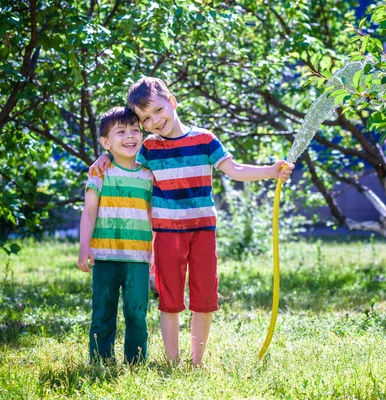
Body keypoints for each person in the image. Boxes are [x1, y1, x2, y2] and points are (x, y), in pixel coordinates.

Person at [89, 77, 294, 366]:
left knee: (204, 297)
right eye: (146, 119)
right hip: (166, 233)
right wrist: (104, 158)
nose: (155, 121)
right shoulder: (149, 150)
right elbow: (126, 164)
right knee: (169, 298)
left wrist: (270, 171)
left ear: (172, 101)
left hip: (202, 231)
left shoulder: (205, 140)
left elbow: (234, 170)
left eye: (159, 111)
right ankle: (173, 361)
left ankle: (196, 362)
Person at [77, 106, 154, 364]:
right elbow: (88, 213)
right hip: (105, 256)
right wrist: (83, 248)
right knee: (103, 310)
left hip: (139, 257)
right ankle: (100, 359)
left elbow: (153, 214)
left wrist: (155, 250)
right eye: (121, 132)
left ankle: (137, 361)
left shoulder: (148, 175)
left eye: (135, 130)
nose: (130, 136)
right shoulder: (99, 172)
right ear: (105, 142)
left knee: (137, 313)